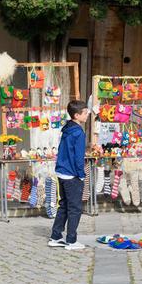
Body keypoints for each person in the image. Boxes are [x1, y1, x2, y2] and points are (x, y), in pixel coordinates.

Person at [48, 100, 89, 251]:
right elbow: (78, 157)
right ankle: (71, 240)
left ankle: (56, 236)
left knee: (64, 205)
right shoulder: (78, 132)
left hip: (61, 171)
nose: (87, 115)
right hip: (72, 175)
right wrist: (81, 175)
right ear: (77, 115)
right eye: (85, 113)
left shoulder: (67, 128)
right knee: (75, 208)